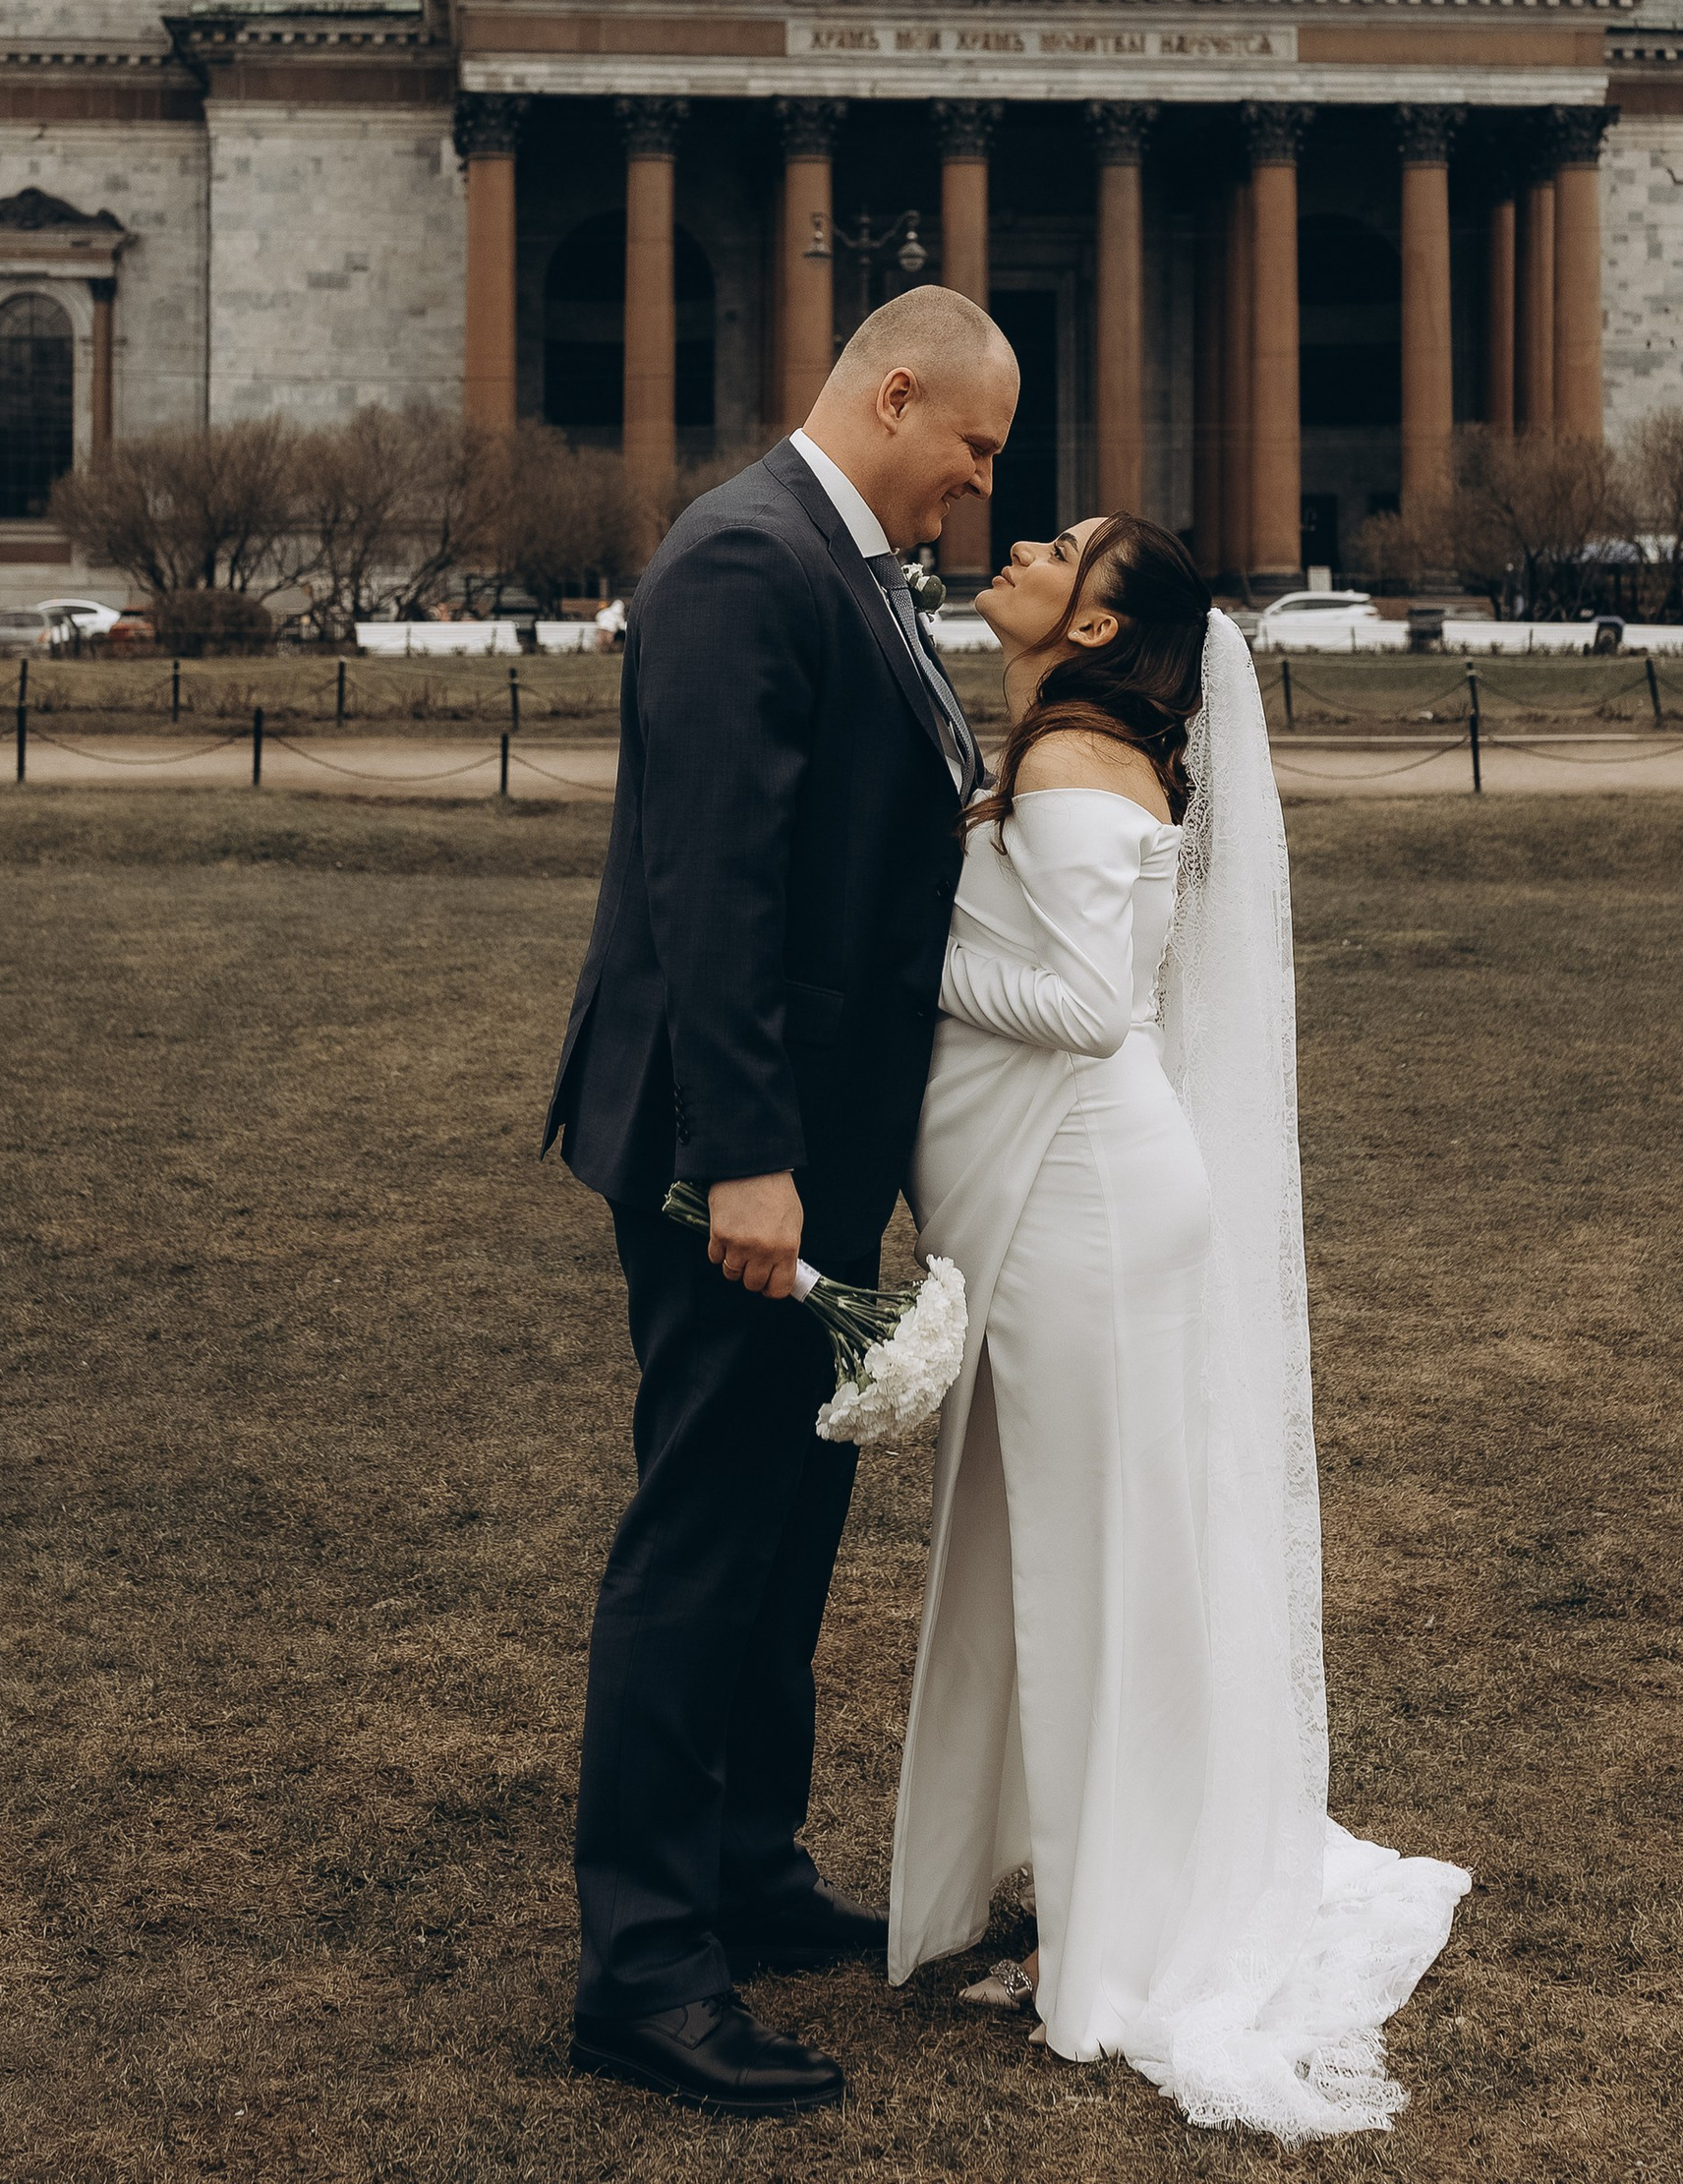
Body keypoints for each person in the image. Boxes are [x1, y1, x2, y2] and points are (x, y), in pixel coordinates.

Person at [890, 517, 1469, 2135]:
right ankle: (1103, 1882)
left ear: (1102, 620)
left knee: (1093, 1566)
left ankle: (1124, 1932)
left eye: (1059, 544)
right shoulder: (1070, 745)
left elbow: (1081, 1006)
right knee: (1081, 1551)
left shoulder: (1076, 763)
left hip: (1087, 1197)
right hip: (1077, 1193)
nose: (1021, 539)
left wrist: (909, 956)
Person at [547, 285, 1020, 2119]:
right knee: (704, 1539)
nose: (974, 494)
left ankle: (743, 1870)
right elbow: (714, 889)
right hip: (724, 1154)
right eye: (969, 451)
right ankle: (645, 1970)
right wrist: (747, 1160)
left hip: (808, 1149)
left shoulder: (835, 565)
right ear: (894, 394)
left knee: (787, 1528)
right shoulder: (746, 561)